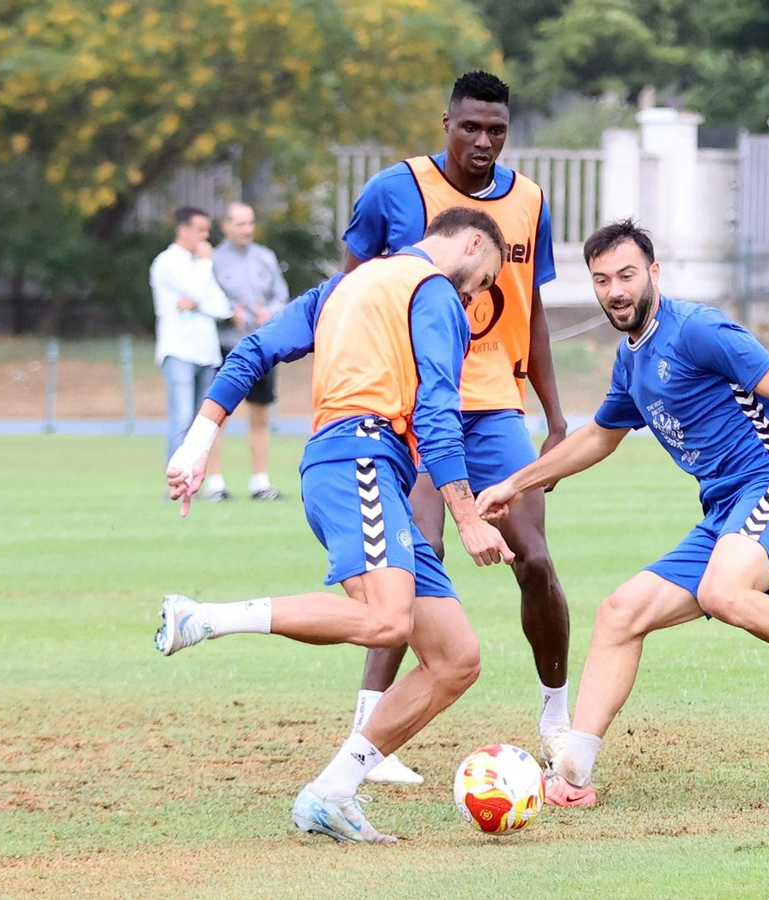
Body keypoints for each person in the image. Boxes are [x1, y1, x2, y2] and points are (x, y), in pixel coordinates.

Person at [476, 220, 769, 808]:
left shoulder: (697, 329)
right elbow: (599, 437)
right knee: (620, 612)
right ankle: (574, 775)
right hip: (725, 509)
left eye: (626, 275)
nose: (615, 291)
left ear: (654, 273)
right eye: (602, 280)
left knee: (724, 591)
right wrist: (515, 484)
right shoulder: (631, 361)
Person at [154, 207, 513, 844]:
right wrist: (467, 517)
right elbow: (437, 411)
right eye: (485, 279)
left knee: (455, 658)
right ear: (472, 244)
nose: (476, 295)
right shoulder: (433, 289)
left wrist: (198, 437)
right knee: (387, 622)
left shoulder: (344, 286)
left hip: (357, 469)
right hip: (360, 460)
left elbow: (255, 347)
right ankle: (203, 617)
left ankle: (332, 793)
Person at [339, 70, 571, 785]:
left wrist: (555, 414)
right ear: (446, 123)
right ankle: (370, 733)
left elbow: (531, 311)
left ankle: (558, 715)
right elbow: (349, 294)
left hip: (497, 406)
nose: (483, 141)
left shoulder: (530, 200)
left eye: (496, 130)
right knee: (416, 557)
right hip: (412, 408)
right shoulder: (395, 190)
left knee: (533, 556)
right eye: (471, 126)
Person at [208, 201, 291, 502]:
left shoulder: (265, 257)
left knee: (260, 414)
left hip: (260, 348)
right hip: (226, 347)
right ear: (226, 226)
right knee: (217, 415)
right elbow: (207, 297)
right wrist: (229, 312)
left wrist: (270, 313)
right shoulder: (213, 260)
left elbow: (281, 295)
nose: (246, 229)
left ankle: (260, 481)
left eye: (250, 223)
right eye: (240, 224)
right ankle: (215, 483)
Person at [150, 206, 231, 471]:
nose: (205, 237)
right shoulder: (167, 262)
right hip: (179, 350)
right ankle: (175, 477)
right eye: (200, 230)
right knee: (182, 418)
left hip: (206, 351)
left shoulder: (199, 265)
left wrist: (198, 305)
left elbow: (222, 307)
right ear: (183, 230)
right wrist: (206, 265)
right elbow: (196, 290)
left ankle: (194, 478)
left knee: (200, 423)